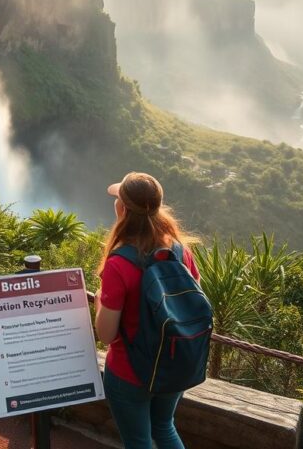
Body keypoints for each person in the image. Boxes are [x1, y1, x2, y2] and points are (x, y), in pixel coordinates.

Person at [94, 172, 201, 449]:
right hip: (173, 364)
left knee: (138, 441)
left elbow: (106, 334)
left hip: (129, 373)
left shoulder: (118, 264)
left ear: (123, 209)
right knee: (164, 427)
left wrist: (99, 301)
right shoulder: (180, 252)